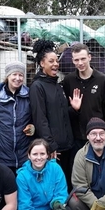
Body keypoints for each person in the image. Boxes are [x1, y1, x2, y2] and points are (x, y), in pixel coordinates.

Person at [29, 40, 76, 188]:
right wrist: (51, 146)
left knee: (67, 185)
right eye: (51, 61)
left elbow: (60, 114)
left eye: (57, 60)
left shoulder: (57, 84)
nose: (56, 64)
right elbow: (40, 119)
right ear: (42, 63)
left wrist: (74, 108)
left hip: (67, 145)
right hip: (55, 149)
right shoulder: (37, 87)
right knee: (55, 186)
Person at [0, 61, 34, 175]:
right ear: (7, 76)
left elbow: (34, 119)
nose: (18, 78)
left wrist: (33, 127)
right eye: (14, 74)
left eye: (21, 75)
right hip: (2, 155)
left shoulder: (29, 95)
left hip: (24, 155)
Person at [62, 43, 105, 156]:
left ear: (89, 57)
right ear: (73, 61)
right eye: (76, 60)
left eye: (83, 58)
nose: (80, 63)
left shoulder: (103, 80)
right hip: (76, 137)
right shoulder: (69, 80)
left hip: (97, 136)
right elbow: (65, 110)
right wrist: (74, 109)